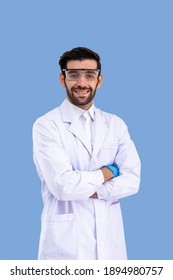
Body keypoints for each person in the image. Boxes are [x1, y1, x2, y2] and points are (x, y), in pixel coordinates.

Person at [32, 47, 141, 260]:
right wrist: (107, 172)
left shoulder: (115, 125)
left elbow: (133, 181)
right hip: (65, 250)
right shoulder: (46, 125)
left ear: (99, 80)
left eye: (89, 75)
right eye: (73, 75)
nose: (82, 83)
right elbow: (62, 186)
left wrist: (89, 188)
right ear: (62, 79)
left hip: (111, 246)